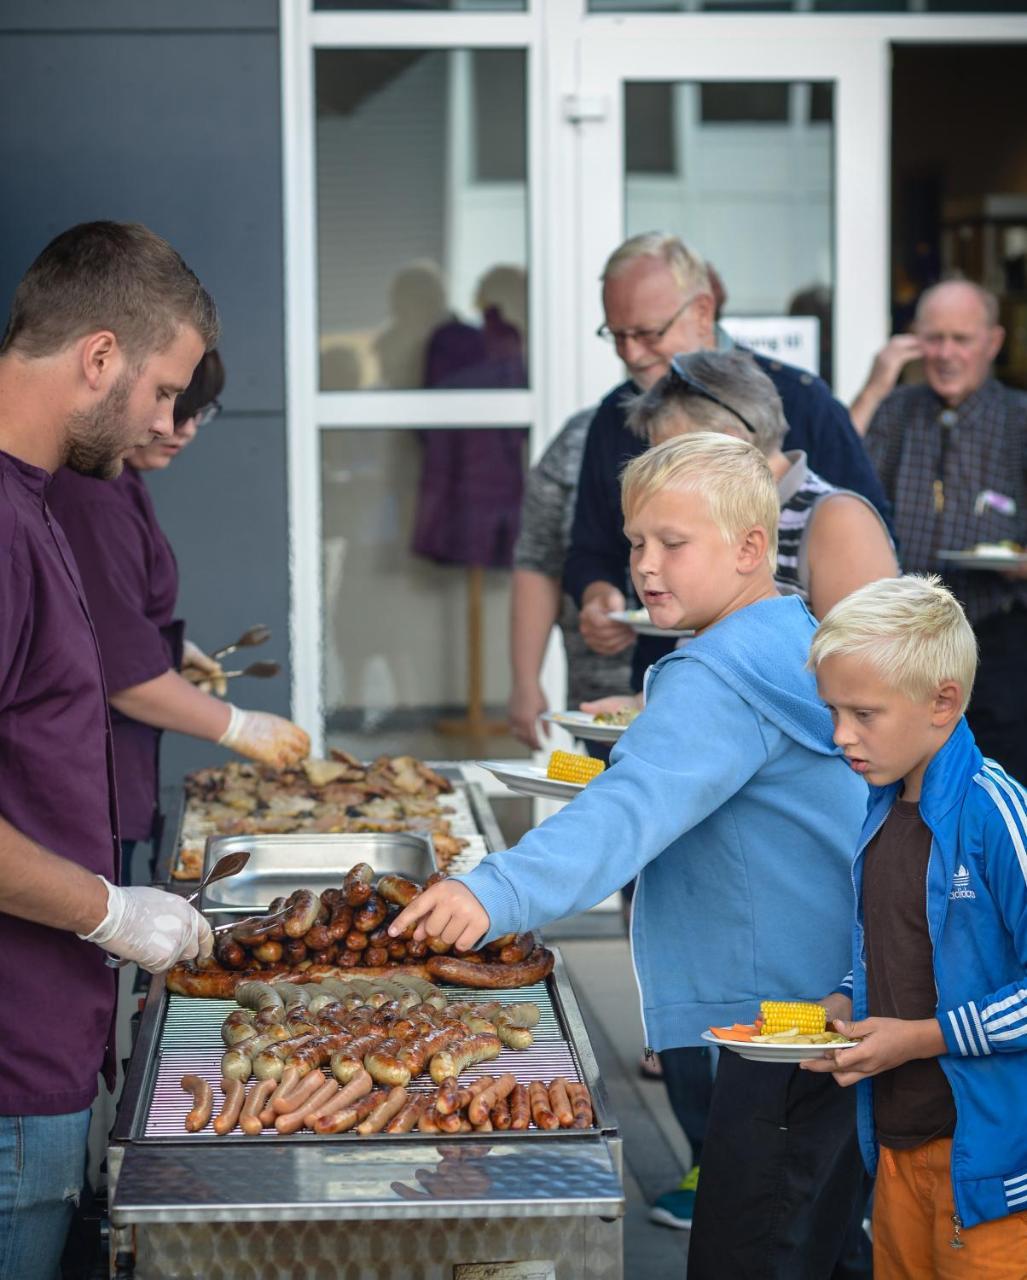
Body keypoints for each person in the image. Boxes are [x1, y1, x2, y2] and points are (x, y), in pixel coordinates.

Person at [391, 433, 872, 1278]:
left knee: (749, 1255)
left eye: (673, 544)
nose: (647, 567)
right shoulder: (780, 633)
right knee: (820, 1247)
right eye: (636, 542)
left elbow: (630, 811)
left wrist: (492, 891)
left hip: (781, 1030)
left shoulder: (716, 674)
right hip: (827, 1001)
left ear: (750, 549)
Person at [0, 221, 221, 1278]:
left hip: (45, 1034)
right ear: (98, 357)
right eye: (160, 389)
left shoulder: (40, 500)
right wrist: (109, 908)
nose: (160, 419)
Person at [805, 574, 1027, 1278]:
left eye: (863, 713)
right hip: (897, 1146)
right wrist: (843, 1000)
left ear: (942, 703)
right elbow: (890, 939)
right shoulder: (877, 805)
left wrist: (922, 1039)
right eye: (832, 711)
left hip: (992, 1170)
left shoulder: (995, 813)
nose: (841, 736)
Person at [565, 230, 891, 695]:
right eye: (617, 335)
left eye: (647, 333)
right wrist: (597, 592)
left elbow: (866, 671)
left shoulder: (806, 412)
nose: (631, 352)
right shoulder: (616, 413)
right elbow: (591, 546)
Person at [47, 349, 309, 881]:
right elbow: (122, 675)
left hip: (110, 773)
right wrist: (238, 726)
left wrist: (165, 651)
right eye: (169, 402)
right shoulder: (90, 495)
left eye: (197, 411)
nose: (180, 427)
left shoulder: (119, 478)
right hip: (79, 781)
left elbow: (111, 619)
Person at [863, 280, 1027, 781]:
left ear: (992, 343)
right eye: (934, 339)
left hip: (997, 635)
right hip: (905, 641)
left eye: (962, 339)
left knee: (1001, 780)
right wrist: (877, 382)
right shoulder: (896, 410)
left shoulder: (1018, 419)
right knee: (913, 783)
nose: (946, 353)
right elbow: (840, 484)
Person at [626, 348, 898, 620]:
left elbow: (869, 656)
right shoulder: (713, 514)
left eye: (672, 454)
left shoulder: (838, 519)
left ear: (732, 441)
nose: (658, 471)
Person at [508, 407, 632, 749]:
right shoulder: (583, 434)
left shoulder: (746, 418)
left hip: (695, 713)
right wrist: (525, 680)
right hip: (599, 704)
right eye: (620, 347)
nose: (634, 353)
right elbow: (538, 559)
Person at [848, 332, 923, 436]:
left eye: (955, 339)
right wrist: (873, 392)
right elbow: (842, 446)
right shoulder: (890, 409)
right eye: (935, 338)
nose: (945, 354)